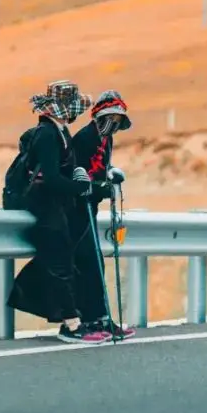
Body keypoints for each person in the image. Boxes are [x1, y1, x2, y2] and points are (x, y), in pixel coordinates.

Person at [7, 80, 114, 344]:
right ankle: (71, 325)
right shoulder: (48, 134)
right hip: (45, 208)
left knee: (63, 263)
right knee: (60, 266)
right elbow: (52, 178)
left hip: (51, 207)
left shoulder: (58, 132)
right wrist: (79, 188)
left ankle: (75, 321)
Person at [70, 90, 136, 340]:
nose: (114, 124)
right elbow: (78, 173)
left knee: (94, 263)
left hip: (90, 207)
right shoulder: (85, 138)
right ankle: (91, 318)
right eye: (111, 118)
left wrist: (106, 182)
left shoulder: (106, 139)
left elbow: (100, 171)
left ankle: (101, 318)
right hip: (76, 210)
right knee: (88, 263)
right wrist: (97, 187)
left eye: (117, 120)